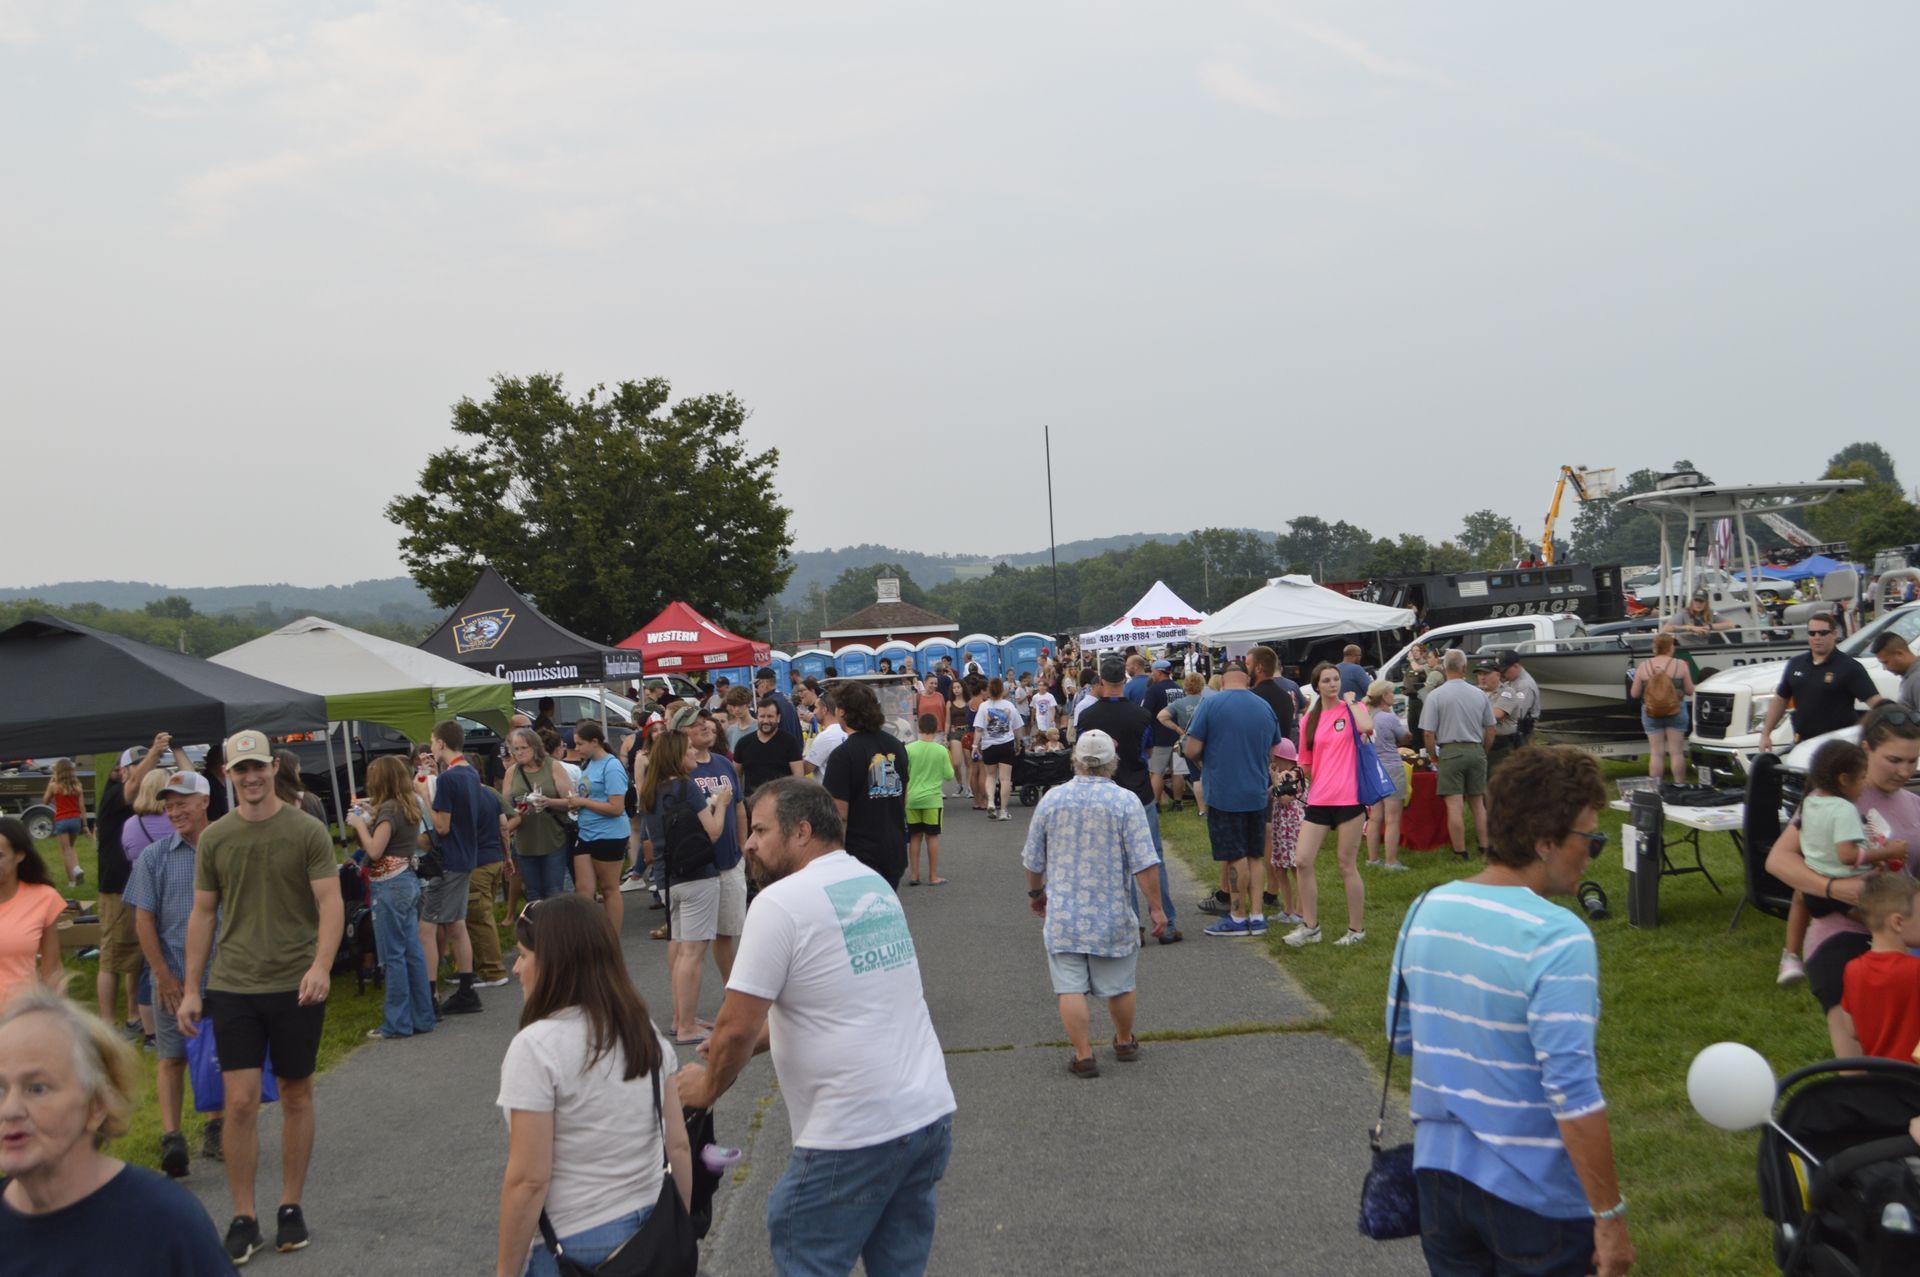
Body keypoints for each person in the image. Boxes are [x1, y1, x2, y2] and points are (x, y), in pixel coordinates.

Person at [676, 779, 956, 1275]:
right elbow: (844, 1000)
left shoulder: (779, 903)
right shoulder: (869, 883)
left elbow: (735, 1028)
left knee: (807, 1252)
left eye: (761, 830)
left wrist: (706, 1086)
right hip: (926, 1114)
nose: (748, 843)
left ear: (801, 831)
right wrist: (746, 1043)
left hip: (853, 1132)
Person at [1387, 746, 1634, 1277]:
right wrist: (1610, 1216)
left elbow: (1401, 1036)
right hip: (1535, 1196)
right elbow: (1572, 1091)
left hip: (1439, 1182)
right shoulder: (1559, 936)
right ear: (1545, 841)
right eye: (1591, 839)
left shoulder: (1425, 907)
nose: (1593, 853)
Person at [177, 729, 342, 1264]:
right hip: (235, 985)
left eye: (258, 767)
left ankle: (290, 1206)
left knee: (296, 1094)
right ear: (227, 775)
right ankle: (243, 1216)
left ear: (273, 768)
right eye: (240, 770)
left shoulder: (306, 830)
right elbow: (203, 914)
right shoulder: (217, 838)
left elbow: (330, 902)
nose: (250, 777)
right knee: (241, 1102)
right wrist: (191, 989)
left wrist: (321, 966)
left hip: (296, 983)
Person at [494, 895, 692, 1277]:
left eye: (523, 955)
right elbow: (678, 1145)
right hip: (652, 1224)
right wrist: (679, 1232)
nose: (517, 968)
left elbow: (529, 1180)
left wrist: (505, 1272)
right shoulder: (643, 1031)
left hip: (579, 1243)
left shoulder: (535, 1048)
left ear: (554, 965)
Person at [0, 989, 238, 1274]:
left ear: (97, 1106)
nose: (10, 1110)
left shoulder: (165, 1222)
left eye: (37, 1088)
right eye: (0, 1089)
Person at [1766, 704, 1920, 1045]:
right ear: (1866, 749)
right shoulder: (1831, 798)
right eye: (1894, 760)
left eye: (1913, 761)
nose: (1904, 771)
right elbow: (1779, 859)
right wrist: (1833, 888)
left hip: (1905, 938)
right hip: (1843, 935)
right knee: (1860, 1055)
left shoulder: (1913, 804)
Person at [1020, 730, 1169, 1078]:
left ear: (1075, 760)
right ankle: (1124, 1040)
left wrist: (1036, 893)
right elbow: (1144, 862)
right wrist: (1156, 907)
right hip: (1111, 913)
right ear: (1111, 763)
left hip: (1065, 915)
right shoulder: (1126, 802)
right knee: (1120, 984)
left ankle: (1084, 1055)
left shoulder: (1053, 800)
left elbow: (1033, 859)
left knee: (1069, 987)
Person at [124, 770, 222, 1176]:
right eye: (169, 805)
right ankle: (172, 1137)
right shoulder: (155, 857)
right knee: (171, 1057)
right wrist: (163, 975)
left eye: (182, 803)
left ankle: (217, 1127)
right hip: (173, 976)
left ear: (204, 801)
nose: (174, 811)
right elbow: (143, 919)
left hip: (223, 974)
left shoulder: (226, 848)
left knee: (216, 1055)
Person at [1079, 657, 1181, 944]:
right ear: (1124, 681)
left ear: (1101, 681)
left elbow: (1083, 756)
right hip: (1138, 792)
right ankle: (1166, 922)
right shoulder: (1141, 716)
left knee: (1116, 862)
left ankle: (1132, 926)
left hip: (1103, 794)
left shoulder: (1087, 717)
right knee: (1152, 857)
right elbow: (1147, 753)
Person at [639, 729, 727, 1044]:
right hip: (696, 874)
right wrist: (722, 804)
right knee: (693, 954)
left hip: (667, 877)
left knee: (680, 950)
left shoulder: (650, 791)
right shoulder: (686, 787)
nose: (693, 752)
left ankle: (682, 1017)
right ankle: (687, 1025)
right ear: (677, 754)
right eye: (688, 747)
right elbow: (713, 832)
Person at [1185, 660, 1282, 938]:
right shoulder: (1264, 706)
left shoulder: (1211, 704)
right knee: (1255, 855)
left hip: (1224, 792)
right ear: (1247, 679)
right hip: (1256, 790)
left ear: (1223, 679)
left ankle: (1237, 916)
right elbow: (1273, 751)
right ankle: (1257, 915)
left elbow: (1191, 749)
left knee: (1234, 855)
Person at [345, 757, 438, 1041]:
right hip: (407, 880)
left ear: (381, 779)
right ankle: (422, 1016)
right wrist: (371, 815)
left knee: (393, 954)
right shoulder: (408, 804)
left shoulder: (389, 809)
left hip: (389, 884)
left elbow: (374, 850)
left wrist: (359, 823)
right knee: (412, 951)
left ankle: (397, 1022)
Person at [1284, 663, 1375, 947]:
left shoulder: (1353, 709)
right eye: (1326, 680)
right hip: (1319, 799)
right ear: (1317, 686)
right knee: (1302, 860)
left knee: (1346, 864)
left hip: (1350, 798)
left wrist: (1352, 701)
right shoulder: (1309, 720)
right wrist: (1293, 775)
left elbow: (1368, 727)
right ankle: (1310, 927)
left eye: (1336, 679)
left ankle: (1356, 930)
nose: (1333, 684)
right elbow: (1305, 763)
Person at [421, 721, 494, 1015]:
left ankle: (429, 997)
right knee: (456, 924)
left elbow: (442, 825)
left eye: (432, 741)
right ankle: (466, 989)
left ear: (441, 743)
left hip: (448, 861)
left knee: (427, 927)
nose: (431, 747)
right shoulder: (470, 772)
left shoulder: (448, 780)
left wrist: (424, 794)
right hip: (467, 856)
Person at [678, 708, 750, 981]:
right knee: (692, 943)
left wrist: (742, 848)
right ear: (681, 734)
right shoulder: (680, 771)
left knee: (727, 934)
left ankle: (731, 991)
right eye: (695, 725)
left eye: (705, 722)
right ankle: (684, 1004)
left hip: (730, 862)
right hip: (697, 867)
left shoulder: (723, 763)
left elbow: (739, 807)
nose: (705, 726)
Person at [823, 681, 912, 888]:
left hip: (858, 855)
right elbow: (903, 797)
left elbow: (838, 814)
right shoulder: (896, 746)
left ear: (842, 711)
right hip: (894, 849)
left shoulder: (842, 755)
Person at [1760, 613, 1883, 754]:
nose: (1817, 637)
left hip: (1838, 747)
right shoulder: (1796, 664)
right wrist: (1766, 733)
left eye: (1823, 633)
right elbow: (1781, 699)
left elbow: (1875, 702)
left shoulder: (1849, 667)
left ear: (1834, 634)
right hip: (1803, 743)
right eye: (1812, 633)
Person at [1420, 649, 1497, 861]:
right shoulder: (1479, 694)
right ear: (1464, 668)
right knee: (1477, 803)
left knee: (1454, 805)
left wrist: (1433, 756)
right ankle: (1485, 846)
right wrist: (1483, 750)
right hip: (1475, 749)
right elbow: (1491, 729)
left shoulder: (1435, 696)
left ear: (1445, 668)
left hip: (1450, 751)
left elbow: (1428, 733)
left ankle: (1460, 851)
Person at [1837, 873, 1920, 1063]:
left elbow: (1852, 1030)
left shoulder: (1853, 970)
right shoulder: (1915, 970)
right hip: (1913, 1075)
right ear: (1897, 923)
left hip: (1878, 1075)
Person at [564, 721, 631, 936]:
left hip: (609, 834)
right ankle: (590, 937)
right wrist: (576, 803)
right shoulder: (589, 764)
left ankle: (611, 938)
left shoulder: (611, 766)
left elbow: (616, 808)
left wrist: (583, 803)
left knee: (609, 889)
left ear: (595, 742)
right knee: (584, 890)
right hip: (586, 832)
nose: (577, 749)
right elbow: (588, 795)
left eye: (580, 744)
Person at [502, 727, 575, 905]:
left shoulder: (553, 766)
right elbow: (505, 808)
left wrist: (549, 802)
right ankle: (537, 923)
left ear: (535, 747)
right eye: (515, 749)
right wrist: (516, 811)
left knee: (554, 892)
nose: (519, 753)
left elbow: (572, 802)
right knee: (534, 894)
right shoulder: (512, 772)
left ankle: (556, 923)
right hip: (525, 843)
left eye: (523, 748)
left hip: (552, 838)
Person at [1798, 740, 1891, 878]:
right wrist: (1888, 852)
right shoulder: (1843, 809)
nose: (1865, 783)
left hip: (1817, 875)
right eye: (1862, 777)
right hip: (1849, 879)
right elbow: (1847, 856)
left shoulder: (1810, 800)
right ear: (1844, 780)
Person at [0, 817, 65, 1008]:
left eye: (0, 855)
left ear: (19, 855)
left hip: (21, 1013)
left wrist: (59, 1015)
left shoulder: (44, 898)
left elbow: (52, 968)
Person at [1630, 633, 1696, 784]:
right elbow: (1689, 690)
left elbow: (1634, 694)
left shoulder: (1644, 665)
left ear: (1655, 647)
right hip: (1676, 710)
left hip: (1651, 711)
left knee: (1656, 753)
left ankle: (1656, 788)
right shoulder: (1680, 664)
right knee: (1676, 752)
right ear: (1670, 647)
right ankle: (1679, 785)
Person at [1363, 680, 1410, 871]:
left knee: (1375, 817)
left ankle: (1373, 859)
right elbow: (1404, 736)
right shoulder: (1388, 718)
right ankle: (1391, 861)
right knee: (1392, 818)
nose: (1393, 696)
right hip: (1391, 767)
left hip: (1373, 769)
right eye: (1391, 693)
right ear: (1383, 696)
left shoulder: (1365, 716)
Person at [905, 713, 955, 886]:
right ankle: (933, 876)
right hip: (932, 800)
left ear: (919, 728)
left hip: (912, 799)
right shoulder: (941, 750)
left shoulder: (909, 749)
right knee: (932, 837)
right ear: (936, 729)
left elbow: (904, 774)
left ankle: (914, 875)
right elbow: (949, 775)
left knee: (914, 837)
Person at [972, 677, 1026, 820]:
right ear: (1002, 690)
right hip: (1006, 744)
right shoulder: (1010, 706)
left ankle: (990, 802)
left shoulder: (984, 707)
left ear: (989, 691)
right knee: (1005, 779)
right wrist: (1018, 743)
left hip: (989, 745)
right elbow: (1017, 728)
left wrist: (975, 746)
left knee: (990, 776)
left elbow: (979, 729)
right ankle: (1003, 810)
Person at [733, 697, 806, 799]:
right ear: (757, 717)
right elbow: (736, 776)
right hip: (752, 803)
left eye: (770, 716)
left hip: (782, 802)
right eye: (762, 716)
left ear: (778, 717)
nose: (765, 721)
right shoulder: (743, 743)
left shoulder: (790, 742)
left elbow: (798, 777)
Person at [1267, 740, 1306, 923]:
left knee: (1295, 868)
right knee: (1280, 867)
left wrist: (1275, 781)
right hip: (1280, 826)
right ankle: (1288, 909)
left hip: (1292, 827)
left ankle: (1300, 911)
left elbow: (1285, 799)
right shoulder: (1282, 775)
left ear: (1282, 759)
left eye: (1274, 758)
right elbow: (1271, 795)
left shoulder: (1292, 775)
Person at [1488, 653, 1539, 774]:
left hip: (1521, 732)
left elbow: (1517, 714)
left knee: (1521, 768)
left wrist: (1500, 711)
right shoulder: (1511, 681)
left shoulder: (1524, 685)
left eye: (1504, 671)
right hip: (1512, 733)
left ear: (1516, 666)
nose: (1502, 675)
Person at [1140, 660, 1180, 808]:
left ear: (1158, 672)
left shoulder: (1153, 690)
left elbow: (1145, 714)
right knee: (1178, 771)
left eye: (1152, 672)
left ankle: (1155, 804)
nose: (1151, 675)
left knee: (1157, 772)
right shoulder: (1179, 688)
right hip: (1177, 735)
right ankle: (1178, 802)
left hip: (1159, 736)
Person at [40, 758, 85, 885]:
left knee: (65, 851)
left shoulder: (54, 786)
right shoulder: (77, 785)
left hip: (62, 820)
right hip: (75, 820)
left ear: (58, 771)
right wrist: (85, 825)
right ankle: (77, 868)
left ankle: (72, 882)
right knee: (71, 847)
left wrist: (50, 782)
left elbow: (45, 801)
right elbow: (82, 807)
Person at [1246, 645, 1299, 745]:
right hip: (1282, 752)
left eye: (1248, 665)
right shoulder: (1286, 697)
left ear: (1259, 668)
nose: (1245, 670)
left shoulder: (1251, 698)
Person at [1870, 631, 1920, 714]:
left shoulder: (1917, 679)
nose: (1884, 668)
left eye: (1885, 662)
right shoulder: (1910, 676)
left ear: (1899, 654)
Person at [803, 693, 846, 778]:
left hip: (826, 785)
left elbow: (806, 768)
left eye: (816, 707)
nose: (813, 712)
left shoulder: (826, 736)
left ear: (824, 710)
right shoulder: (845, 730)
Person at [756, 667, 803, 743]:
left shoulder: (767, 704)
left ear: (764, 684)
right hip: (794, 746)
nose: (756, 689)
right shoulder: (785, 698)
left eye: (757, 685)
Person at [1663, 589, 1736, 638]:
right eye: (1696, 600)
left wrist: (1709, 627)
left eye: (1701, 601)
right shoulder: (1683, 613)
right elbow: (1666, 628)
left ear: (1706, 603)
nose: (1698, 604)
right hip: (1687, 647)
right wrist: (1690, 628)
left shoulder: (1711, 612)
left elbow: (1730, 624)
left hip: (1705, 647)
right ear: (1692, 601)